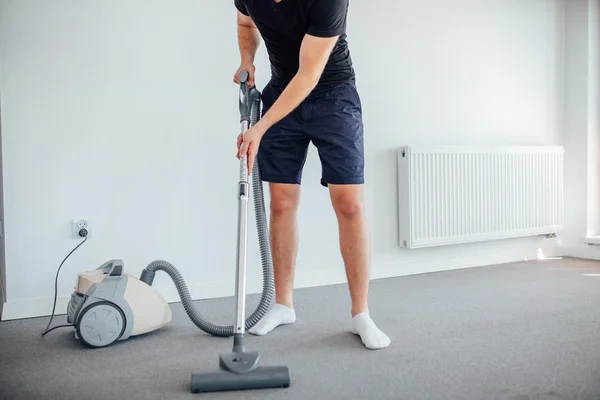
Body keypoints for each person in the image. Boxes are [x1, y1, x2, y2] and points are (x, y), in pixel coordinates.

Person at [234, 0, 390, 350]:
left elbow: (308, 74)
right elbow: (246, 25)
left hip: (333, 96)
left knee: (349, 203)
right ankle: (283, 305)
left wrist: (259, 128)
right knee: (281, 202)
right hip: (280, 93)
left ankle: (361, 314)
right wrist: (247, 59)